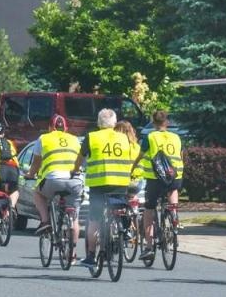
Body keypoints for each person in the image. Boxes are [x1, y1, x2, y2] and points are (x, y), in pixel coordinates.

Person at [73, 108, 135, 269]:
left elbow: (81, 157)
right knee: (119, 209)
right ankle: (122, 231)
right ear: (114, 123)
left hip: (99, 184)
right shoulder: (123, 138)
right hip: (120, 183)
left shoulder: (92, 137)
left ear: (99, 123)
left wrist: (74, 170)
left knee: (94, 219)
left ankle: (91, 255)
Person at [29, 114, 83, 260]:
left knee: (37, 193)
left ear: (50, 127)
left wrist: (30, 174)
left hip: (53, 179)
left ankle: (45, 221)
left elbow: (36, 163)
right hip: (75, 181)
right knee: (75, 218)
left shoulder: (44, 138)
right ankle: (72, 253)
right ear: (65, 128)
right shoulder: (75, 139)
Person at [135, 109, 184, 259]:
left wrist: (133, 167)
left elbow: (141, 155)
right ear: (167, 122)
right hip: (175, 176)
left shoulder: (150, 137)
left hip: (155, 178)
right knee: (173, 192)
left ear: (153, 122)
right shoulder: (176, 137)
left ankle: (149, 247)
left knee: (149, 210)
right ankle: (174, 216)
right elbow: (181, 155)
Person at [0, 121, 20, 214]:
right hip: (12, 168)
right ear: (3, 133)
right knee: (14, 190)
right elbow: (15, 158)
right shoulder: (9, 142)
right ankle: (11, 207)